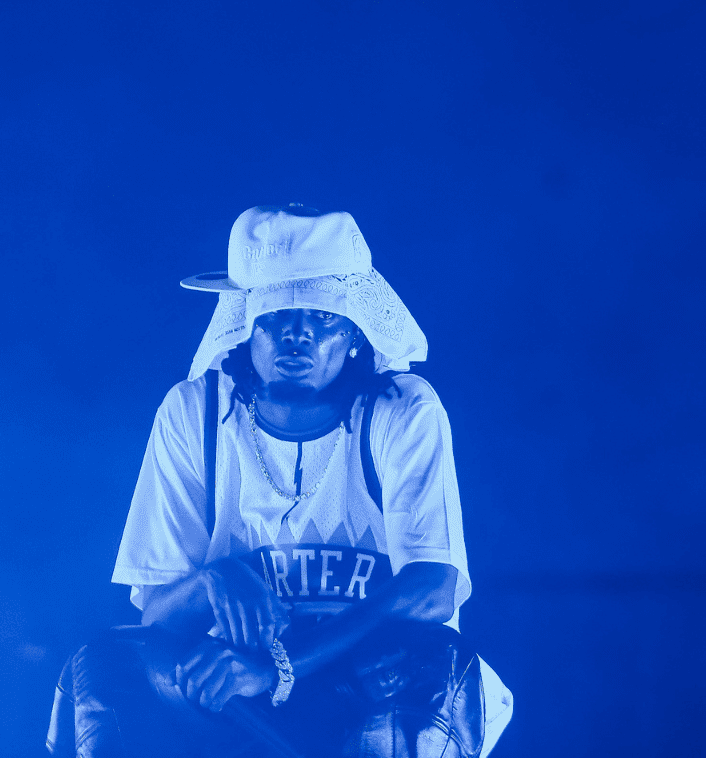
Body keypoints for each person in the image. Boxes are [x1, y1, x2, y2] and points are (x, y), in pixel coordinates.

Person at [48, 204, 514, 757]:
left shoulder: (401, 409)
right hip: (238, 696)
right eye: (277, 315)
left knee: (433, 659)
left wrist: (280, 666)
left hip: (369, 688)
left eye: (323, 316)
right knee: (109, 661)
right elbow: (159, 618)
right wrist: (213, 581)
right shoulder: (194, 412)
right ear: (244, 323)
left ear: (357, 331)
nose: (299, 335)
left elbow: (432, 588)